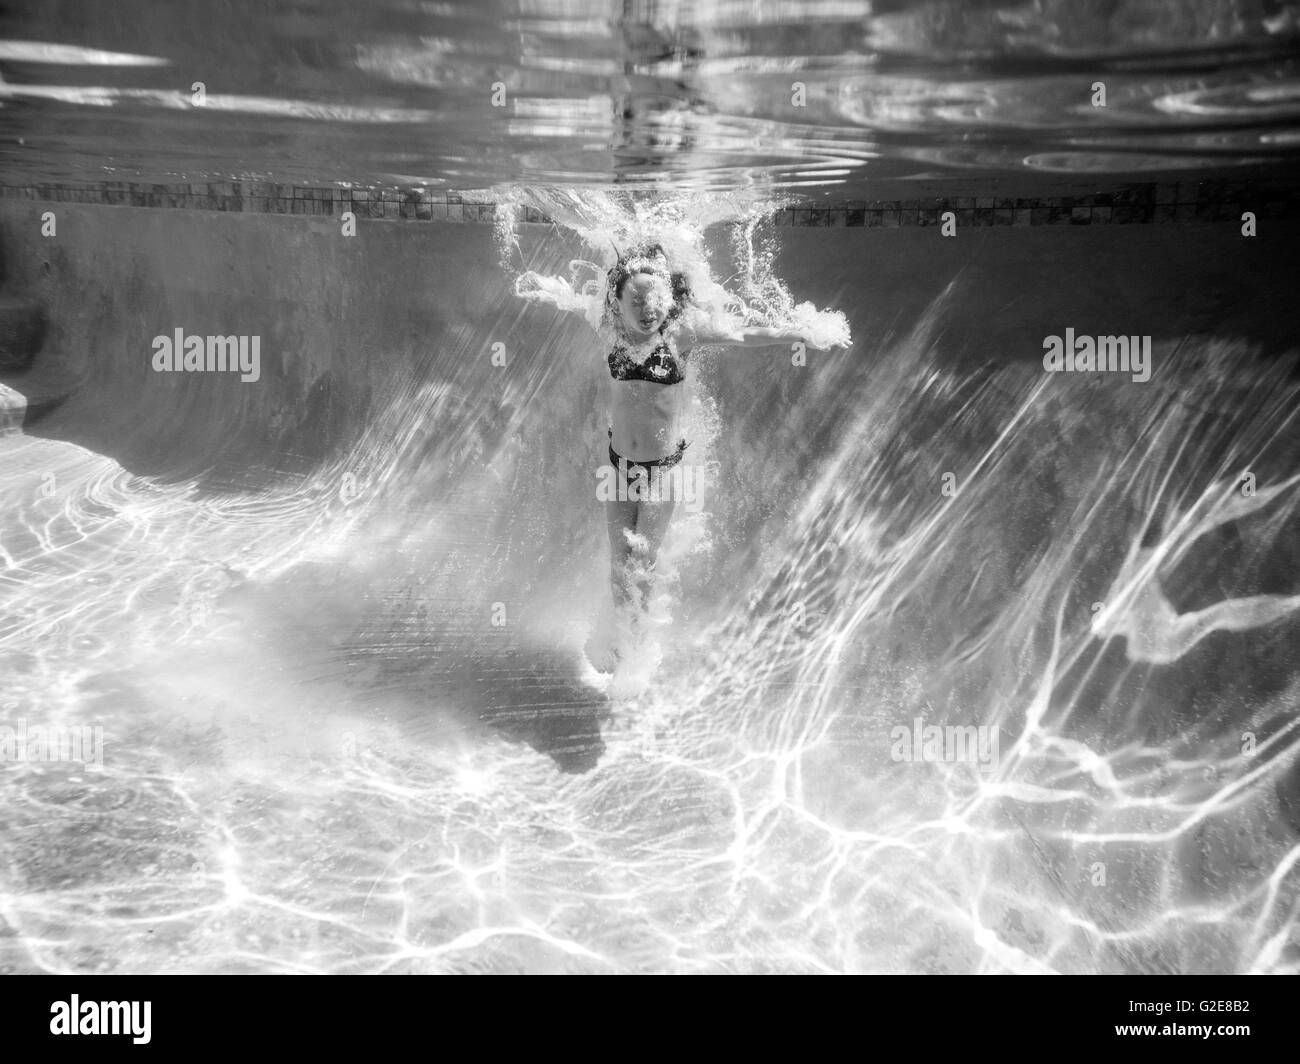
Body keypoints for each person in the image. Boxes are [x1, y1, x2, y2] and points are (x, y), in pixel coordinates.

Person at [586, 242, 844, 671]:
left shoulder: (679, 336)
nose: (647, 308)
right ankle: (621, 637)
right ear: (618, 302)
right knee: (619, 564)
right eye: (636, 300)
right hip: (618, 469)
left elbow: (742, 334)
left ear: (667, 299)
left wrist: (801, 332)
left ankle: (637, 649)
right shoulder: (609, 332)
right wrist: (548, 290)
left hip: (663, 472)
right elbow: (575, 303)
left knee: (643, 560)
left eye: (654, 299)